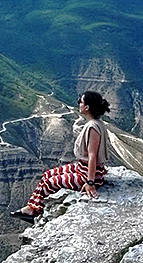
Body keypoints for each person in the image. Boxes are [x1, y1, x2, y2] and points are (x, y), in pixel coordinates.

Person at [11, 91, 111, 222]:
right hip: (82, 168)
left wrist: (90, 183)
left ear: (87, 107)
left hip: (87, 174)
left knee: (49, 182)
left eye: (80, 101)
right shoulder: (96, 123)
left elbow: (92, 156)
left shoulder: (93, 127)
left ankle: (35, 211)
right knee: (47, 174)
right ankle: (31, 207)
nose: (78, 104)